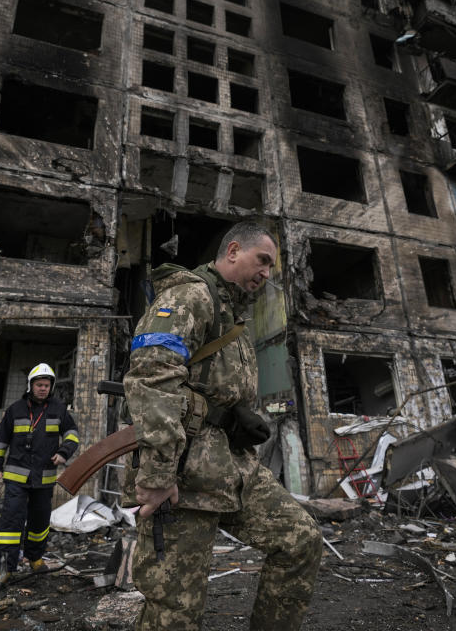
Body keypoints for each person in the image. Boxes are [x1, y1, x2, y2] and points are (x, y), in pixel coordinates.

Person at [123, 221, 322, 631]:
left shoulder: (235, 317)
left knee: (300, 540)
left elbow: (215, 389)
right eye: (262, 260)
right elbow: (151, 379)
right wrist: (158, 474)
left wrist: (236, 417)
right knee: (174, 610)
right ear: (233, 251)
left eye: (272, 266)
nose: (267, 273)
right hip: (185, 475)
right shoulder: (190, 297)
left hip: (234, 470)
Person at [0, 363, 79, 584]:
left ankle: (35, 558)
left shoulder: (58, 409)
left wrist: (64, 452)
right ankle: (3, 567)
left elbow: (72, 434)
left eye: (47, 385)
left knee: (40, 522)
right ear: (30, 386)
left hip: (44, 478)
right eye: (39, 385)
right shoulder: (15, 410)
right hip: (15, 478)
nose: (43, 389)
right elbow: (0, 441)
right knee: (11, 523)